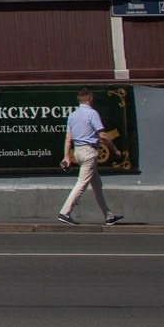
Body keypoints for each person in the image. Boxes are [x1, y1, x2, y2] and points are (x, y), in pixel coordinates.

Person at [58, 87, 123, 226]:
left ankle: (108, 216)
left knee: (97, 184)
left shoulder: (73, 115)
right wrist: (115, 149)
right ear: (90, 99)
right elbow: (103, 135)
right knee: (81, 183)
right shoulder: (92, 114)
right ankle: (65, 212)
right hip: (89, 152)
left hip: (78, 152)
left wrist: (66, 157)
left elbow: (68, 138)